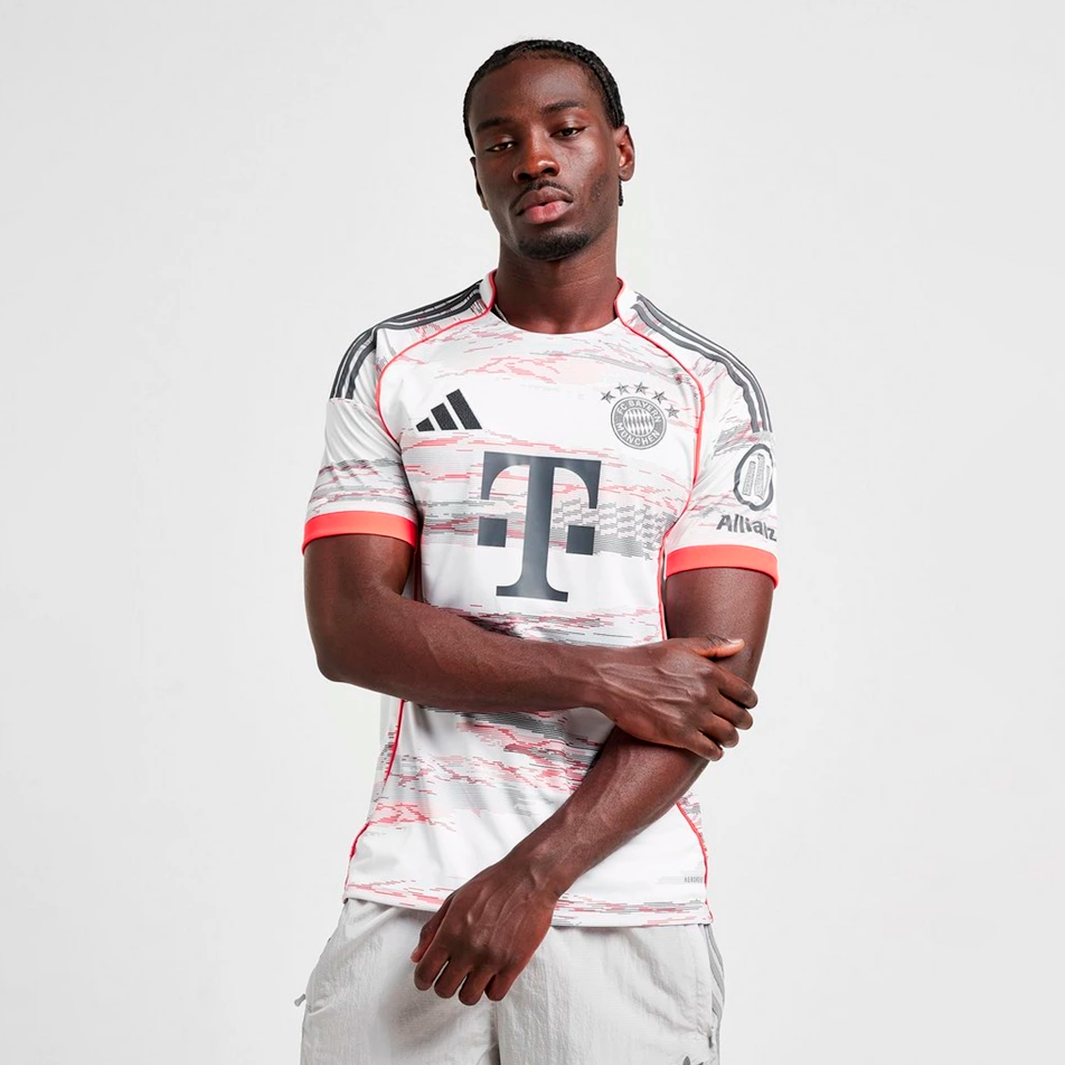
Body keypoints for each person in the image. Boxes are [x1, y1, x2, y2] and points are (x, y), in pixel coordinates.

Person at [298, 38, 778, 1065]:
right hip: (412, 896)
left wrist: (533, 876)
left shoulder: (708, 388)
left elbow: (705, 695)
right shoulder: (394, 362)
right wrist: (600, 674)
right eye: (499, 142)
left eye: (564, 129)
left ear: (621, 150)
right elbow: (347, 630)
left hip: (627, 908)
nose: (534, 159)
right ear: (476, 174)